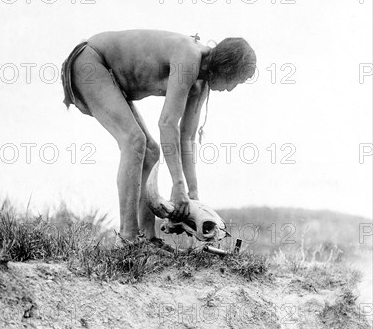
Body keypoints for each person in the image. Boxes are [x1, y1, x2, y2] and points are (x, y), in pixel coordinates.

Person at [62, 29, 256, 243]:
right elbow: (167, 123)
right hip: (91, 61)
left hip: (110, 75)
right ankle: (128, 237)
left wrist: (192, 197)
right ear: (225, 68)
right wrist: (177, 185)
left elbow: (187, 138)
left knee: (151, 152)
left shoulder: (202, 82)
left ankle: (147, 238)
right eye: (235, 81)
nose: (231, 89)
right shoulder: (189, 56)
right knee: (134, 141)